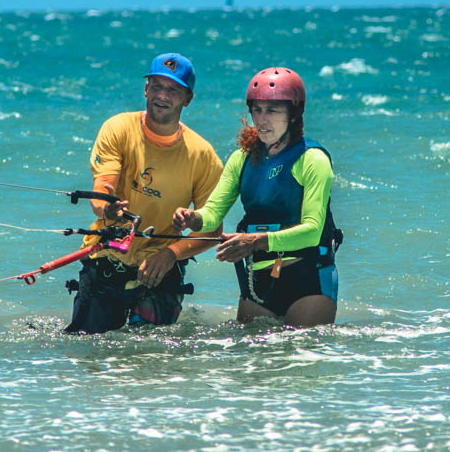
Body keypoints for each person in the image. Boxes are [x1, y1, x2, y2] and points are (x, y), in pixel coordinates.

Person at [64, 53, 224, 333]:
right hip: (106, 256)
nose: (163, 95)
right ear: (146, 89)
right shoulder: (117, 128)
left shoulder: (203, 156)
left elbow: (213, 230)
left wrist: (171, 254)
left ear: (188, 99)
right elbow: (104, 188)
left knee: (150, 353)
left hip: (160, 268)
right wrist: (107, 209)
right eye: (157, 86)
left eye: (173, 89)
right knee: (89, 347)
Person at [172, 66, 343, 327]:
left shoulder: (313, 159)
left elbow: (311, 230)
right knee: (251, 364)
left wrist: (254, 241)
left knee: (299, 361)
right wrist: (191, 218)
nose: (262, 120)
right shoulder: (241, 158)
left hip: (308, 279)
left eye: (272, 111)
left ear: (294, 114)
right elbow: (212, 215)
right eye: (257, 110)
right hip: (256, 282)